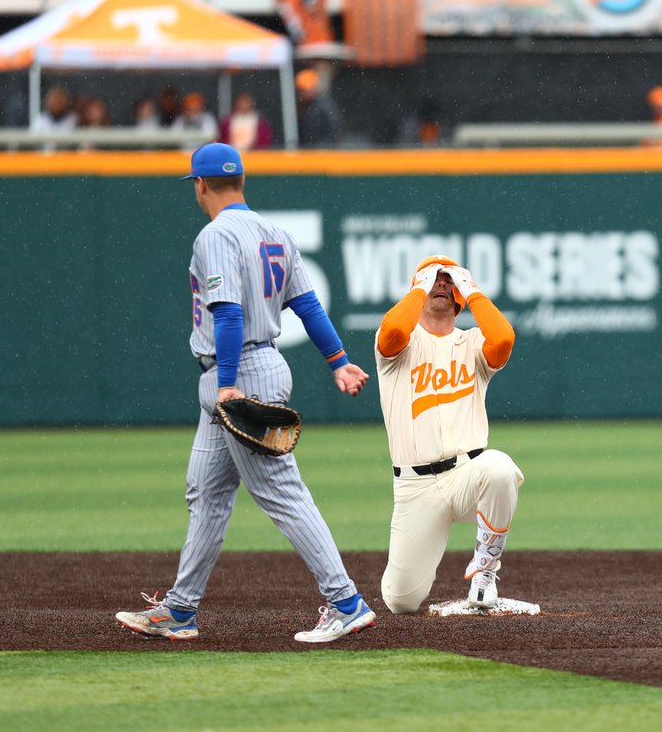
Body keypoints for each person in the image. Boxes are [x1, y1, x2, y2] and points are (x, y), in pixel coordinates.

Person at [115, 142, 376, 644]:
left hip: (238, 372)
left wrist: (229, 382)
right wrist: (338, 361)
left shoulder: (215, 235)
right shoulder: (276, 232)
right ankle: (180, 610)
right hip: (250, 368)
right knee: (206, 492)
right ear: (241, 182)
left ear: (200, 184)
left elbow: (228, 313)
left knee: (280, 491)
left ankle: (346, 601)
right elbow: (307, 305)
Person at [375, 255, 523, 613]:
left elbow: (503, 338)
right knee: (401, 601)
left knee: (500, 468)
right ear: (418, 288)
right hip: (416, 487)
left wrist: (471, 290)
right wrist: (420, 287)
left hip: (467, 474)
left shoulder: (472, 343)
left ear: (458, 297)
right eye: (433, 278)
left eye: (448, 280)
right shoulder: (398, 345)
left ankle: (484, 573)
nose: (441, 283)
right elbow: (395, 330)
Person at [296, 68, 343, 148]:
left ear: (314, 88)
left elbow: (334, 131)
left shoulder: (324, 106)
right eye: (301, 90)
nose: (302, 93)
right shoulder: (302, 106)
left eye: (305, 90)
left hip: (322, 152)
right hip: (308, 151)